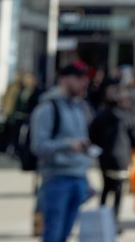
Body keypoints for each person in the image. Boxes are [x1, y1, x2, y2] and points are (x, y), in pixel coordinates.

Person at [31, 60, 94, 242]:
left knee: (66, 234)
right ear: (64, 79)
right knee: (53, 234)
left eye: (85, 78)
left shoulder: (80, 108)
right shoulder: (48, 108)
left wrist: (86, 178)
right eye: (79, 78)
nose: (84, 82)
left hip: (78, 178)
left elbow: (82, 145)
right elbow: (38, 146)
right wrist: (68, 144)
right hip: (57, 180)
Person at [89, 81, 135, 234]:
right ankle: (113, 222)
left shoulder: (102, 115)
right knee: (117, 191)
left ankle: (101, 221)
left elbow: (92, 133)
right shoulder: (128, 117)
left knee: (106, 188)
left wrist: (99, 147)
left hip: (104, 158)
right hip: (121, 159)